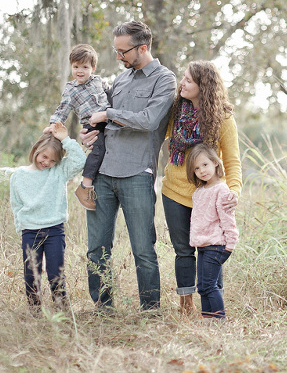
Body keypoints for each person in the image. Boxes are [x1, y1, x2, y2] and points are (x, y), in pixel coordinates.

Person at [82, 21, 176, 311]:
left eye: (123, 51)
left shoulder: (165, 79)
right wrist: (90, 132)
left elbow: (149, 121)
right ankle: (103, 306)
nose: (119, 56)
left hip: (137, 174)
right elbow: (103, 121)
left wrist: (108, 113)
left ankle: (150, 309)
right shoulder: (120, 81)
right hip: (102, 175)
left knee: (143, 249)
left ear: (143, 47)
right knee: (97, 249)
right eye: (116, 50)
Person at [161, 60, 242, 315]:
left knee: (209, 250)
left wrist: (235, 191)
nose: (181, 83)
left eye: (188, 80)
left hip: (207, 196)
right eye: (182, 78)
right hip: (174, 192)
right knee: (183, 251)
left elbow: (231, 160)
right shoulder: (175, 111)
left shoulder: (223, 119)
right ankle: (186, 306)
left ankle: (213, 306)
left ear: (203, 86)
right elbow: (150, 134)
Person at [9, 123, 86, 310]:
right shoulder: (18, 175)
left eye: (52, 160)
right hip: (30, 230)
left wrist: (65, 139)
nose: (47, 163)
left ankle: (61, 308)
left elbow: (80, 161)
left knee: (56, 274)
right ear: (36, 150)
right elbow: (16, 204)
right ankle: (35, 310)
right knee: (31, 274)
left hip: (54, 230)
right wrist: (21, 227)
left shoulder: (59, 171)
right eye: (44, 157)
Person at [48, 44, 109, 211]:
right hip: (92, 125)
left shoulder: (99, 81)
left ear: (93, 68)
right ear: (71, 67)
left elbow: (110, 94)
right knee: (98, 151)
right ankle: (85, 186)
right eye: (76, 67)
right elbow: (63, 109)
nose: (79, 71)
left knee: (108, 149)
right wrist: (53, 125)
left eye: (85, 67)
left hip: (108, 120)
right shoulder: (71, 89)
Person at [185, 143, 239, 319]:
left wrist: (229, 246)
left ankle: (219, 318)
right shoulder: (199, 192)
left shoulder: (222, 190)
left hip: (216, 246)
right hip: (202, 246)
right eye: (197, 168)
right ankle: (208, 318)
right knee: (202, 286)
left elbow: (228, 220)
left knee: (209, 285)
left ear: (216, 162)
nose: (201, 171)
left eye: (205, 165)